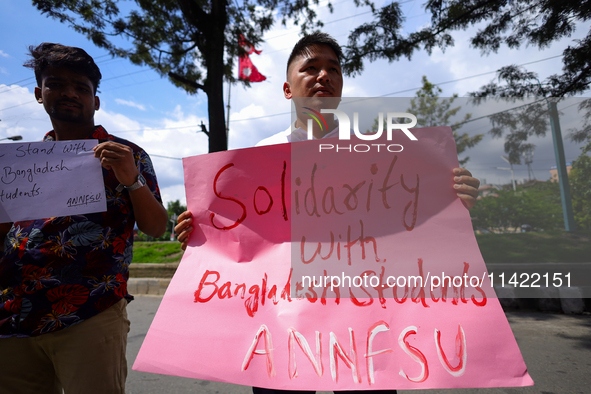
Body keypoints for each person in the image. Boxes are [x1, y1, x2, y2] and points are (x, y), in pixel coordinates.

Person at [175, 33, 480, 394]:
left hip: (363, 318)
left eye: (333, 69)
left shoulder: (380, 153)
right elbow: (243, 240)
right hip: (282, 319)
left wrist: (452, 204)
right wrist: (204, 236)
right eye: (311, 67)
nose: (324, 76)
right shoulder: (258, 156)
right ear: (288, 89)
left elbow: (407, 226)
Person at [0, 43, 168, 394]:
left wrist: (131, 178)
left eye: (81, 88)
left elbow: (155, 227)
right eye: (56, 84)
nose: (69, 93)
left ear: (96, 100)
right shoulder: (18, 164)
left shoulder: (128, 155)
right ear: (38, 93)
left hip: (90, 312)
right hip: (14, 313)